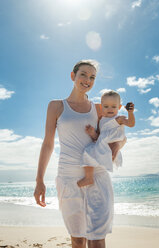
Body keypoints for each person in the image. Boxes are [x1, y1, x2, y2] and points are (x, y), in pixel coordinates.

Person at [33, 60, 126, 248]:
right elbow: (48, 144)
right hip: (69, 178)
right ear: (73, 76)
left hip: (98, 176)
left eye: (92, 77)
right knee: (77, 239)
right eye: (83, 74)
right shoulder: (56, 106)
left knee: (97, 238)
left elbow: (116, 134)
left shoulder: (100, 108)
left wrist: (119, 146)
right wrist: (39, 180)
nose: (87, 80)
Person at [77, 90, 135, 187]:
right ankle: (89, 177)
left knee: (88, 152)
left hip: (112, 147)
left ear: (119, 107)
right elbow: (99, 137)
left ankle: (88, 178)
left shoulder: (119, 119)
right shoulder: (101, 120)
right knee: (87, 152)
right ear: (101, 106)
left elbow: (131, 124)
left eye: (114, 106)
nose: (110, 109)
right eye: (106, 106)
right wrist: (92, 133)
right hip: (103, 147)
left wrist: (130, 113)